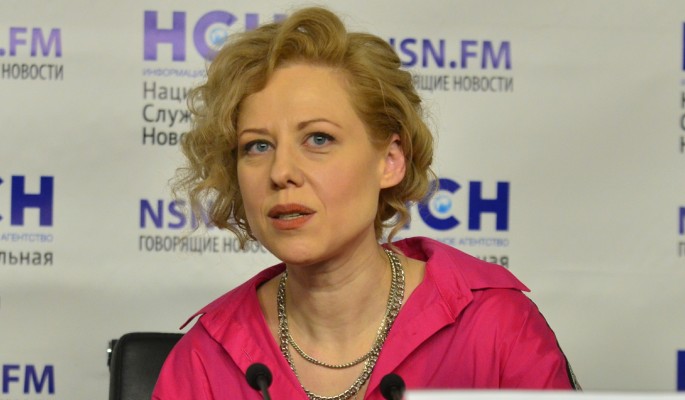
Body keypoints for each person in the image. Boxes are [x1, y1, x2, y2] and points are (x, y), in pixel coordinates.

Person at [152, 6, 580, 399]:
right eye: (257, 146)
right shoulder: (205, 360)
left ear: (389, 162)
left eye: (318, 139)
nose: (281, 171)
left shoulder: (494, 327)